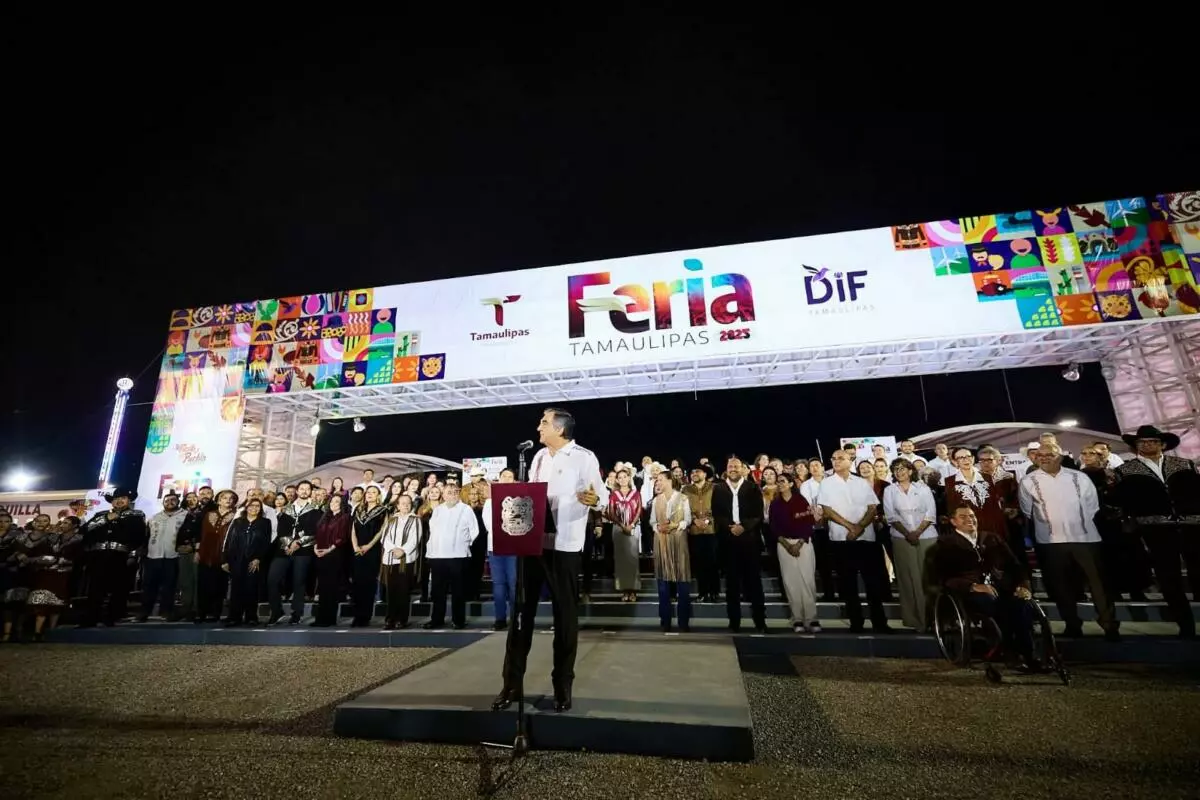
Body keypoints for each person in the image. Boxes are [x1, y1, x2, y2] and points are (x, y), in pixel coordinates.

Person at [494, 407, 608, 714]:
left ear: (559, 429)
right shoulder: (538, 457)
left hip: (565, 546)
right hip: (533, 544)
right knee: (521, 615)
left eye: (543, 423)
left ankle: (562, 685)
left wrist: (595, 500)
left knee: (565, 618)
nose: (538, 427)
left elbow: (603, 496)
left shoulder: (584, 457)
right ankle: (511, 683)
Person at [1019, 443, 1120, 641]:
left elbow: (1092, 505)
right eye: (1040, 455)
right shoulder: (1028, 481)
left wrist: (1077, 523)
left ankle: (1109, 625)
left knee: (1098, 584)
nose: (1044, 458)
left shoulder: (1079, 477)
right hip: (1050, 541)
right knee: (1060, 586)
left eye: (1049, 455)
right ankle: (1072, 624)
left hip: (1085, 538)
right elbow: (1027, 510)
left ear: (1060, 456)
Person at [1112, 425, 1200, 639]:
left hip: (1192, 527)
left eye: (1153, 441)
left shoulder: (1184, 464)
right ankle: (1186, 625)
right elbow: (1123, 502)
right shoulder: (1125, 470)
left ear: (1163, 444)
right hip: (1156, 530)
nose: (1148, 445)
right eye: (1142, 442)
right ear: (1136, 446)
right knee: (1169, 577)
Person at [935, 507, 1038, 668]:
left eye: (972, 516)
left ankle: (1029, 654)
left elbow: (1015, 566)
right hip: (970, 593)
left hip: (1000, 587)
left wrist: (1022, 585)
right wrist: (973, 586)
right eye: (963, 517)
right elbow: (944, 577)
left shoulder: (992, 538)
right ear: (953, 522)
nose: (969, 519)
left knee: (1022, 604)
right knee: (995, 604)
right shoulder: (946, 543)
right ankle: (1009, 651)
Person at [712, 456, 769, 634]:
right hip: (728, 541)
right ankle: (734, 622)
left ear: (743, 469)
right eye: (730, 466)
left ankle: (760, 621)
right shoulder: (719, 488)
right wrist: (730, 526)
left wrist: (743, 526)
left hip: (749, 540)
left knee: (754, 583)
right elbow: (717, 513)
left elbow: (758, 513)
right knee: (731, 584)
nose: (733, 469)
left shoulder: (752, 488)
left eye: (736, 466)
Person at [79, 487, 148, 627]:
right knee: (95, 587)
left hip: (121, 555)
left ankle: (113, 616)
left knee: (119, 587)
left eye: (123, 498)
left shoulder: (136, 515)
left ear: (129, 501)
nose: (119, 501)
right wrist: (105, 519)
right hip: (99, 554)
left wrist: (133, 555)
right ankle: (91, 618)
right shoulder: (101, 514)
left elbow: (140, 536)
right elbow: (84, 530)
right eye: (116, 498)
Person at [882, 459, 938, 631]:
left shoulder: (923, 488)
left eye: (903, 468)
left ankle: (935, 619)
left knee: (929, 578)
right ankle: (916, 620)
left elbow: (931, 513)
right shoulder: (889, 490)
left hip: (926, 536)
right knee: (908, 578)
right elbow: (891, 516)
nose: (899, 472)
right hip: (901, 538)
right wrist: (907, 534)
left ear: (910, 471)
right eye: (896, 469)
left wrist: (917, 532)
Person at [422, 482, 479, 630]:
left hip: (458, 556)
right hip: (438, 556)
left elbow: (474, 530)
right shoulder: (438, 510)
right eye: (449, 492)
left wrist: (464, 543)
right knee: (437, 591)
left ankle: (458, 620)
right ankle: (437, 619)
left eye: (455, 492)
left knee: (458, 590)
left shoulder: (466, 509)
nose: (452, 495)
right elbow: (433, 531)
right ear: (444, 495)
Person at [768, 472, 818, 633]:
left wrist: (799, 543)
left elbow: (808, 523)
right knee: (790, 582)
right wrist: (787, 545)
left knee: (807, 580)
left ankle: (811, 618)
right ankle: (797, 618)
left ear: (790, 484)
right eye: (778, 482)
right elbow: (773, 527)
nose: (780, 484)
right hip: (784, 545)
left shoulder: (801, 501)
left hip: (803, 544)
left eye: (783, 481)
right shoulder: (775, 504)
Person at [649, 470, 692, 632]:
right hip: (661, 542)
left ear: (669, 480)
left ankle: (683, 622)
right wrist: (658, 527)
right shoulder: (656, 500)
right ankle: (665, 620)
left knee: (682, 582)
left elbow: (687, 520)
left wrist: (676, 525)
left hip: (678, 540)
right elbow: (652, 521)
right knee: (663, 584)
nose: (658, 483)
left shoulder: (683, 498)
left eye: (660, 480)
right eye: (657, 480)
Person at [222, 498, 270, 626]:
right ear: (246, 507)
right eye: (251, 505)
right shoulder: (238, 521)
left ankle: (251, 617)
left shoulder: (265, 522)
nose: (254, 508)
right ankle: (234, 617)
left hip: (253, 560)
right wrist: (225, 560)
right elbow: (229, 541)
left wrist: (258, 558)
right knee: (236, 588)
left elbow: (266, 542)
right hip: (236, 559)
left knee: (251, 588)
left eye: (257, 506)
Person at [481, 468, 518, 631]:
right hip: (495, 546)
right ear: (499, 479)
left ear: (514, 481)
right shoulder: (490, 501)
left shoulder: (519, 499)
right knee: (499, 583)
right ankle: (500, 618)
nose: (507, 479)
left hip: (514, 547)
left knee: (514, 583)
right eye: (504, 476)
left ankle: (515, 617)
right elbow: (489, 525)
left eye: (510, 477)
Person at [139, 490, 185, 621]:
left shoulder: (184, 516)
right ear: (163, 502)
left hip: (172, 556)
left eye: (173, 500)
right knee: (149, 585)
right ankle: (144, 611)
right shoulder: (154, 517)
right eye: (167, 500)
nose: (170, 502)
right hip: (153, 555)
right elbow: (146, 535)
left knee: (169, 585)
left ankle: (166, 611)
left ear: (178, 502)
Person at [380, 494, 421, 629]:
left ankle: (401, 619)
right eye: (403, 503)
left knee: (403, 590)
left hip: (406, 559)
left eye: (408, 503)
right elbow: (384, 537)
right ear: (397, 505)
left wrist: (403, 550)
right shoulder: (392, 519)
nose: (406, 505)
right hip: (391, 559)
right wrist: (393, 549)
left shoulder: (415, 520)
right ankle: (390, 619)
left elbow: (415, 538)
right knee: (391, 591)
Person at [350, 485, 388, 626]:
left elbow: (382, 530)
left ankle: (365, 616)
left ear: (378, 495)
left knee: (369, 583)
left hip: (372, 549)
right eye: (368, 492)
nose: (370, 494)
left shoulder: (383, 510)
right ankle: (357, 616)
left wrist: (369, 546)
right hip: (357, 549)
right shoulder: (358, 510)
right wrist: (355, 546)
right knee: (357, 583)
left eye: (374, 492)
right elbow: (353, 530)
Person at [311, 494, 351, 627]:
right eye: (332, 501)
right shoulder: (325, 517)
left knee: (331, 588)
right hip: (321, 554)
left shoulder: (344, 517)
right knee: (322, 588)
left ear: (342, 504)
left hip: (335, 554)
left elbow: (342, 537)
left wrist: (329, 549)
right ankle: (320, 618)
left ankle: (329, 618)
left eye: (337, 501)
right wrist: (316, 547)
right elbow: (318, 534)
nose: (334, 503)